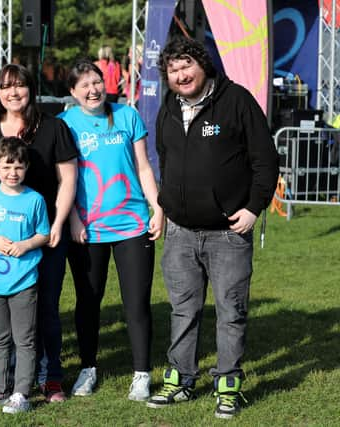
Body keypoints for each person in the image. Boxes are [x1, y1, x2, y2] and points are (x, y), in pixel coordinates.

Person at [146, 37, 278, 419]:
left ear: (203, 66)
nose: (181, 75)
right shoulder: (169, 106)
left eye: (186, 66)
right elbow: (166, 158)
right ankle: (181, 380)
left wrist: (254, 207)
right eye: (173, 70)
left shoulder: (236, 101)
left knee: (230, 311)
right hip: (180, 233)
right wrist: (167, 207)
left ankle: (228, 385)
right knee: (183, 311)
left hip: (228, 234)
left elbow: (266, 160)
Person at [0, 63, 78, 403]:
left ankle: (50, 377)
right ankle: (3, 378)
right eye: (5, 86)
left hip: (44, 236)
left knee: (45, 310)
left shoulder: (53, 127)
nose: (13, 92)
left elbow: (68, 179)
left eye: (20, 86)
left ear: (31, 88)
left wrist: (58, 224)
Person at [58, 59, 163, 401]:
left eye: (97, 82)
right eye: (84, 85)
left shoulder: (128, 115)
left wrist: (158, 207)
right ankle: (87, 369)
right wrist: (73, 217)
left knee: (137, 303)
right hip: (87, 229)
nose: (93, 90)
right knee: (89, 301)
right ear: (72, 92)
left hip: (132, 225)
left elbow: (144, 167)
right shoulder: (65, 123)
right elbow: (64, 179)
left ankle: (142, 374)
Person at [0, 137, 50, 414]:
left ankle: (21, 393)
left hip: (24, 282)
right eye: (6, 167)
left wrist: (25, 245)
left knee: (25, 339)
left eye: (18, 167)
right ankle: (0, 387)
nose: (12, 173)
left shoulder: (35, 200)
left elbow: (44, 234)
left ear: (26, 167)